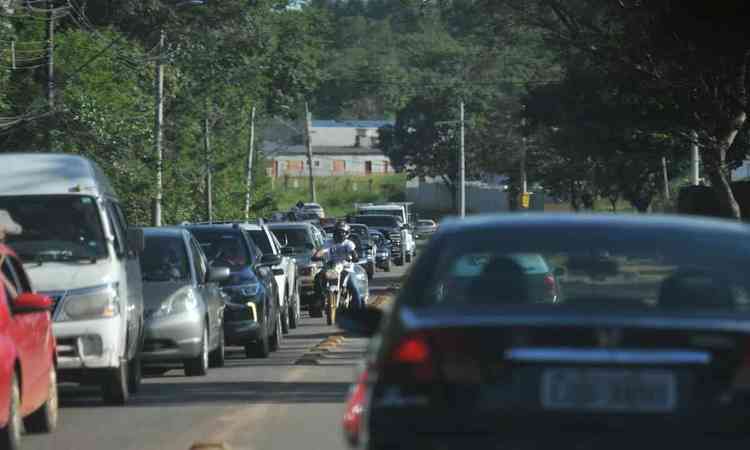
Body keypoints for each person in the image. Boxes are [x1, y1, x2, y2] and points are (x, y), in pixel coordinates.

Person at [312, 221, 365, 309]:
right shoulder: (329, 243)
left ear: (347, 233)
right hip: (331, 267)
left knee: (354, 287)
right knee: (318, 277)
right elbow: (322, 251)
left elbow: (354, 253)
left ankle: (359, 310)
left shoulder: (348, 244)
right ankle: (320, 299)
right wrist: (317, 256)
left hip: (346, 268)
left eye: (342, 232)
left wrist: (354, 256)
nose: (340, 234)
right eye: (337, 232)